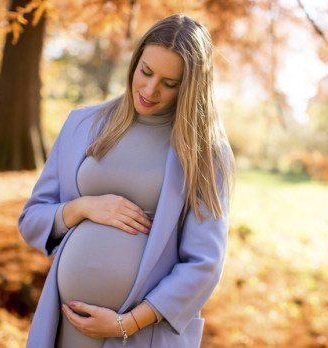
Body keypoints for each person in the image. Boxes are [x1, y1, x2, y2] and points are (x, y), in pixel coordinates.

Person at [18, 13, 234, 348]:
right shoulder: (80, 125)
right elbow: (32, 219)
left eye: (169, 83)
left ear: (190, 87)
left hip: (140, 336)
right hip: (65, 328)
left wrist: (125, 324)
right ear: (134, 63)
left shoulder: (205, 153)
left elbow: (204, 265)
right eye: (145, 72)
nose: (150, 89)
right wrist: (83, 207)